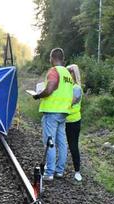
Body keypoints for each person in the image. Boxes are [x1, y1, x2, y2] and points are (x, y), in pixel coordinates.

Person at [32, 48, 72, 181]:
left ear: (52, 58)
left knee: (50, 141)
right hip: (63, 112)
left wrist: (38, 95)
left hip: (52, 111)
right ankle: (59, 171)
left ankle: (49, 172)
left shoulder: (54, 71)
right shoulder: (67, 73)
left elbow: (49, 89)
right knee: (61, 142)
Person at [65, 64, 83, 181]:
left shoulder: (76, 88)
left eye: (68, 73)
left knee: (73, 146)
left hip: (73, 121)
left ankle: (77, 171)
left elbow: (70, 103)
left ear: (73, 74)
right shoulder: (67, 87)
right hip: (64, 120)